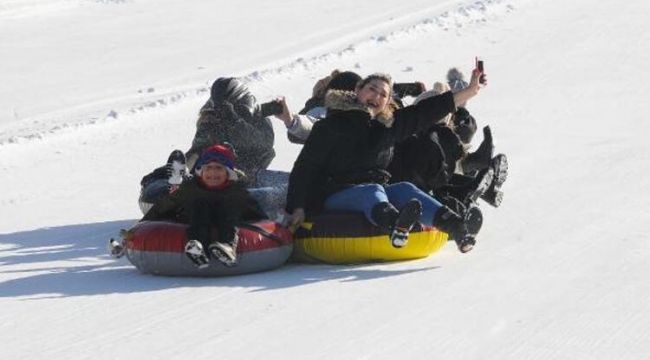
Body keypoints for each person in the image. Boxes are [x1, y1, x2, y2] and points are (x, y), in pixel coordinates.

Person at [286, 70, 486, 253]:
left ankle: (458, 228)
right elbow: (306, 167)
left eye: (383, 95)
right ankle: (395, 226)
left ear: (388, 101)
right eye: (372, 89)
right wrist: (298, 207)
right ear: (358, 90)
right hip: (333, 194)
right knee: (372, 191)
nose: (376, 97)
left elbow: (425, 112)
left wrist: (470, 91)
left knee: (405, 189)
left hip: (375, 192)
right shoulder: (329, 126)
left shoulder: (386, 128)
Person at [141, 144, 267, 268]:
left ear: (228, 172)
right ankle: (198, 249)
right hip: (194, 219)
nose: (213, 172)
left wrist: (271, 230)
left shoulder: (236, 191)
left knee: (227, 207)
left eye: (218, 168)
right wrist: (141, 226)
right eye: (208, 167)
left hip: (227, 221)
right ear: (201, 170)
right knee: (201, 205)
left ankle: (228, 248)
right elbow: (164, 206)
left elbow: (257, 212)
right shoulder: (191, 188)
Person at [186, 77, 275, 183]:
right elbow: (198, 148)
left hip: (247, 175)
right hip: (209, 173)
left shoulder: (259, 120)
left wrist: (234, 121)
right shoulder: (211, 117)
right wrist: (185, 166)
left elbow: (263, 144)